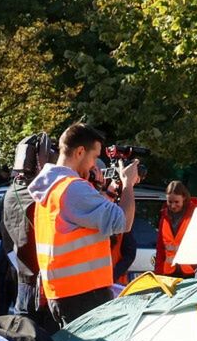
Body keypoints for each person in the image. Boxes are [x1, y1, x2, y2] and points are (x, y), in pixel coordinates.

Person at [28, 123, 139, 327]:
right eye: (94, 156)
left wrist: (110, 193)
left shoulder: (52, 186)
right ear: (80, 152)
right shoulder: (73, 189)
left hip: (63, 292)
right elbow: (124, 221)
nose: (94, 164)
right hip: (85, 294)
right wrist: (128, 184)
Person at [0, 134, 51, 317]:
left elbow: (7, 242)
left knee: (24, 336)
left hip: (24, 282)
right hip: (43, 285)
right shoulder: (42, 195)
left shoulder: (12, 193)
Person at [154, 181, 197, 278]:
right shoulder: (164, 216)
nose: (173, 206)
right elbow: (160, 247)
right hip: (169, 272)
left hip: (191, 271)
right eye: (170, 202)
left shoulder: (195, 214)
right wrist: (158, 271)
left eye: (176, 202)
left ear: (184, 198)